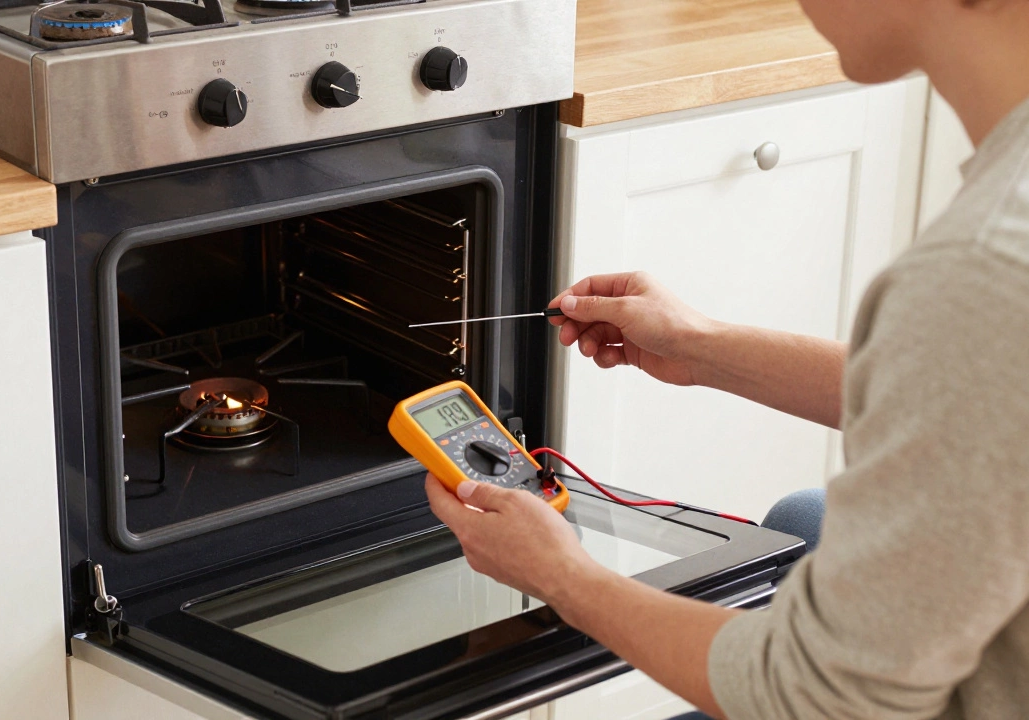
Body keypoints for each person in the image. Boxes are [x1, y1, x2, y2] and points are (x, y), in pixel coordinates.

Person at [423, 1, 1029, 718]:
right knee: (807, 517)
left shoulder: (983, 270)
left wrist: (563, 577)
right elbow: (976, 406)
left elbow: (815, 697)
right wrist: (702, 347)